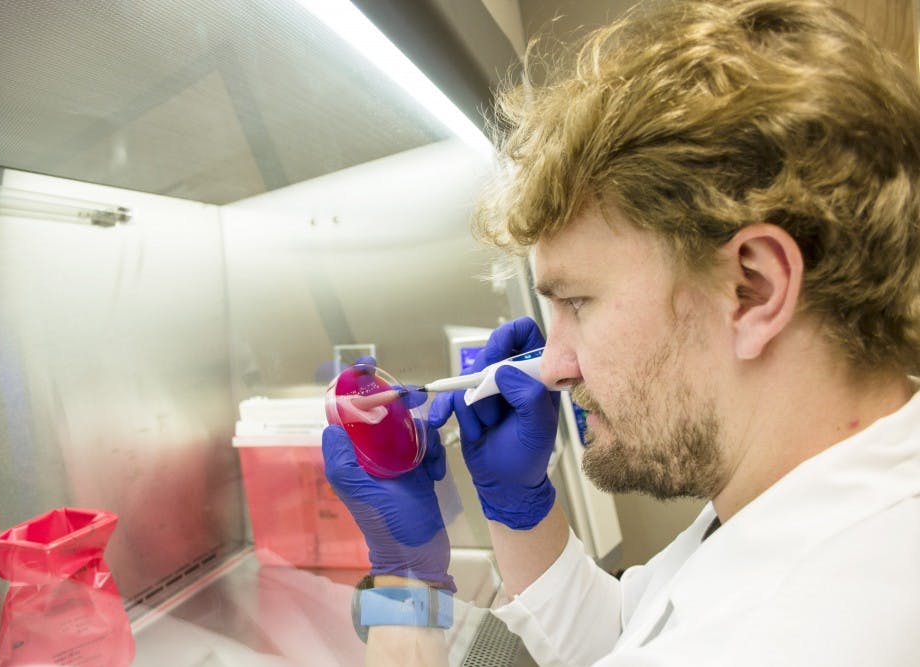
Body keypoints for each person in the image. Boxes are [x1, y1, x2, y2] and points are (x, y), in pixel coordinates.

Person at [322, 0, 920, 664]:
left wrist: (407, 578)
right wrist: (519, 507)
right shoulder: (830, 491)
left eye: (579, 302)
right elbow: (629, 632)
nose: (554, 365)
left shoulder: (802, 634)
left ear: (753, 287)